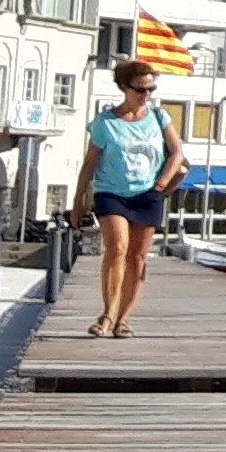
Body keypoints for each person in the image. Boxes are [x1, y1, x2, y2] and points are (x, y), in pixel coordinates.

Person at [79, 60, 179, 339]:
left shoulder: (160, 118)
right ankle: (107, 313)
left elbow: (176, 152)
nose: (146, 94)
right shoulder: (105, 123)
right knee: (118, 247)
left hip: (148, 193)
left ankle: (124, 318)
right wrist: (79, 199)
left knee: (137, 257)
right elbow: (89, 163)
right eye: (140, 89)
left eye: (151, 89)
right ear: (124, 88)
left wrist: (161, 183)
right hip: (111, 192)